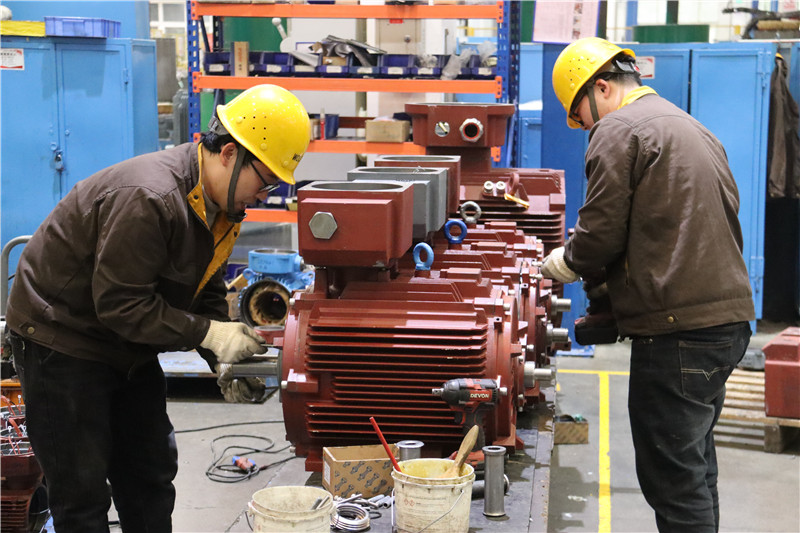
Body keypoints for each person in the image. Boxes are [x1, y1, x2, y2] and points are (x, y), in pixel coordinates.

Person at [4, 84, 310, 532]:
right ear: (229, 153)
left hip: (125, 342)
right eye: (263, 182)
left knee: (149, 476)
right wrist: (208, 335)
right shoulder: (150, 198)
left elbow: (202, 291)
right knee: (81, 493)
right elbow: (122, 305)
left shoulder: (221, 208)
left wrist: (221, 358)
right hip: (61, 341)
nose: (262, 196)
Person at [542, 37, 755, 533]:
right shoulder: (691, 126)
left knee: (673, 483)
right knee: (694, 472)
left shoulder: (618, 129)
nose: (587, 128)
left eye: (582, 116)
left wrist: (563, 262)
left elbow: (601, 233)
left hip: (678, 333)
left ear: (600, 87)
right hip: (725, 324)